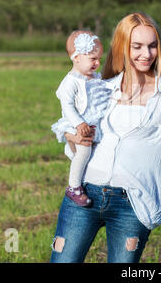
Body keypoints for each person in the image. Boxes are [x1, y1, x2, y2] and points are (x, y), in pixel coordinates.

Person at [50, 12, 161, 263]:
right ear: (123, 47)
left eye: (153, 46)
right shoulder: (101, 88)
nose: (147, 53)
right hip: (85, 193)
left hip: (132, 203)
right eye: (137, 46)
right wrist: (72, 136)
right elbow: (76, 140)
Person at [51, 29, 112, 207]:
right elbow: (67, 106)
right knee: (84, 151)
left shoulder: (93, 78)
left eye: (99, 58)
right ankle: (74, 187)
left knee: (94, 151)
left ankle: (77, 159)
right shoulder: (70, 82)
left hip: (92, 122)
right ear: (76, 57)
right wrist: (79, 123)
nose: (97, 63)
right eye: (93, 59)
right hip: (75, 123)